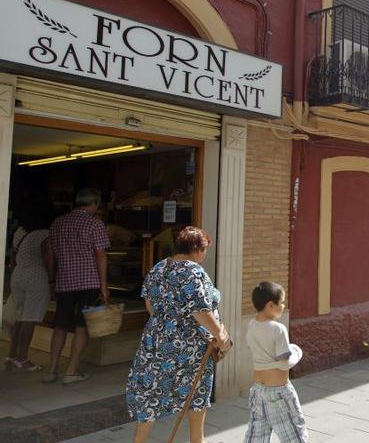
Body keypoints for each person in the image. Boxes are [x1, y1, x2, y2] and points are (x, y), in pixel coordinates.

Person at [126, 226, 231, 443]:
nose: (204, 256)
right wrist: (221, 336)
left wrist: (164, 325)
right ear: (196, 249)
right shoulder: (193, 271)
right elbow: (201, 310)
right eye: (204, 250)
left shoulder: (159, 267)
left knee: (150, 393)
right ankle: (196, 440)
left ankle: (139, 440)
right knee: (196, 395)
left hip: (154, 342)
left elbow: (149, 303)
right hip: (188, 347)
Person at [44, 188, 111, 385]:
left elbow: (50, 253)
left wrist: (52, 279)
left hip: (64, 281)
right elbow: (101, 255)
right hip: (88, 282)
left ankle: (52, 369)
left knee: (60, 326)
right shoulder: (95, 224)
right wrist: (104, 286)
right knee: (81, 327)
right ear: (94, 204)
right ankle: (71, 371)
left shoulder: (58, 223)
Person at [244, 281, 309, 443]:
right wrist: (296, 352)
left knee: (256, 435)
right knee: (294, 433)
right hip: (279, 391)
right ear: (271, 305)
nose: (284, 305)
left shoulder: (252, 325)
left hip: (258, 390)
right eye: (281, 302)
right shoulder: (278, 329)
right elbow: (285, 362)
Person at [5, 202, 53, 372]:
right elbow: (48, 257)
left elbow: (13, 256)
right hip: (36, 277)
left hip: (18, 275)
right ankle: (22, 358)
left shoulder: (24, 233)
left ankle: (12, 355)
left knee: (20, 318)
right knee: (30, 319)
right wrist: (52, 280)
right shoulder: (45, 234)